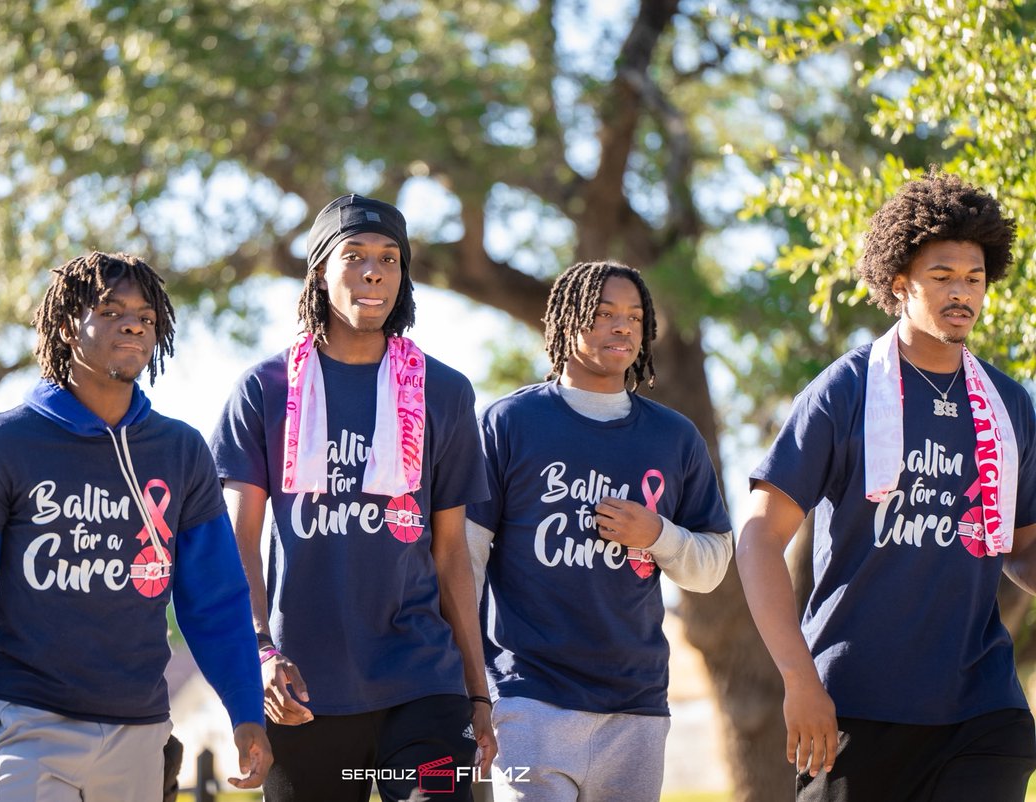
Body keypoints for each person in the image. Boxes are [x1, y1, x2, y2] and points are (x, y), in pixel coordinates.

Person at [0, 252, 271, 801]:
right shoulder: (4, 444)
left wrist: (245, 712)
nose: (134, 325)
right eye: (111, 311)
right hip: (29, 720)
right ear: (64, 327)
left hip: (140, 728)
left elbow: (215, 601)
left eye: (146, 317)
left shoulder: (180, 451)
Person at [736, 171, 1036, 801]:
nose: (962, 293)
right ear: (900, 284)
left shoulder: (1009, 405)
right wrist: (798, 678)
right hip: (853, 704)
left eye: (974, 278)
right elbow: (759, 538)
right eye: (942, 276)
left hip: (982, 708)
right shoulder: (844, 391)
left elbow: (1024, 547)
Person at [209, 194, 496, 802]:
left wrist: (477, 691)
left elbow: (451, 555)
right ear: (319, 272)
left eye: (390, 258)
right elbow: (238, 544)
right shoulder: (264, 390)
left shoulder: (443, 392)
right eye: (355, 256)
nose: (374, 272)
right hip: (302, 690)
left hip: (423, 682)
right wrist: (259, 654)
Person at [465, 260, 733, 802]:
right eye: (604, 313)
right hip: (528, 697)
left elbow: (711, 569)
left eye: (634, 317)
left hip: (637, 707)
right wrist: (467, 690)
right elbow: (463, 561)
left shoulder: (675, 437)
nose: (622, 327)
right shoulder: (508, 423)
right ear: (566, 321)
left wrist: (657, 534)